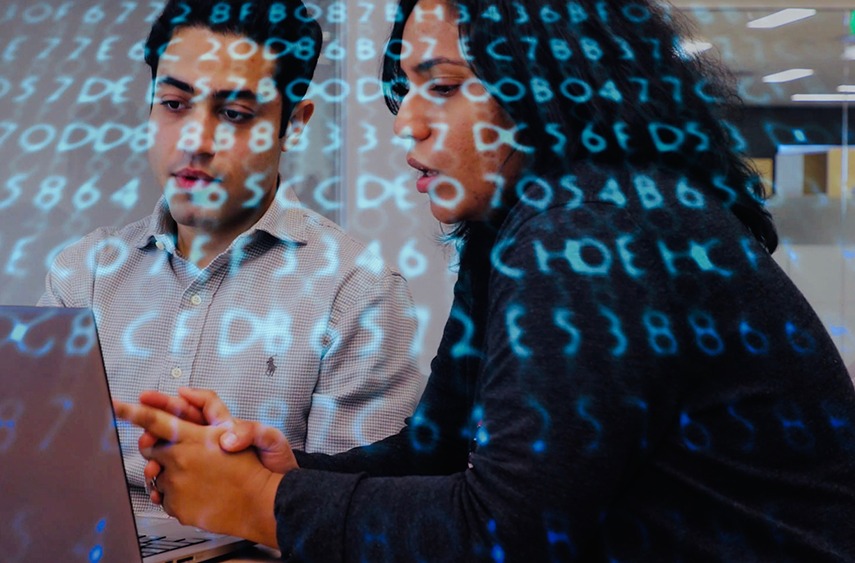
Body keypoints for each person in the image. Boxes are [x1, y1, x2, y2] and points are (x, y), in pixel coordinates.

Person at [114, 0, 855, 559]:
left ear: (545, 80)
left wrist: (265, 502)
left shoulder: (594, 225)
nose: (407, 125)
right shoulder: (518, 226)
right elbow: (432, 451)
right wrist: (285, 466)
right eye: (406, 91)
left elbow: (507, 532)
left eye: (443, 86)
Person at [40, 0, 424, 514]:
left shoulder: (355, 293)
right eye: (173, 104)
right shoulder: (82, 275)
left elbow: (349, 518)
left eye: (234, 114)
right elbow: (32, 469)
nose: (195, 141)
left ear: (294, 123)